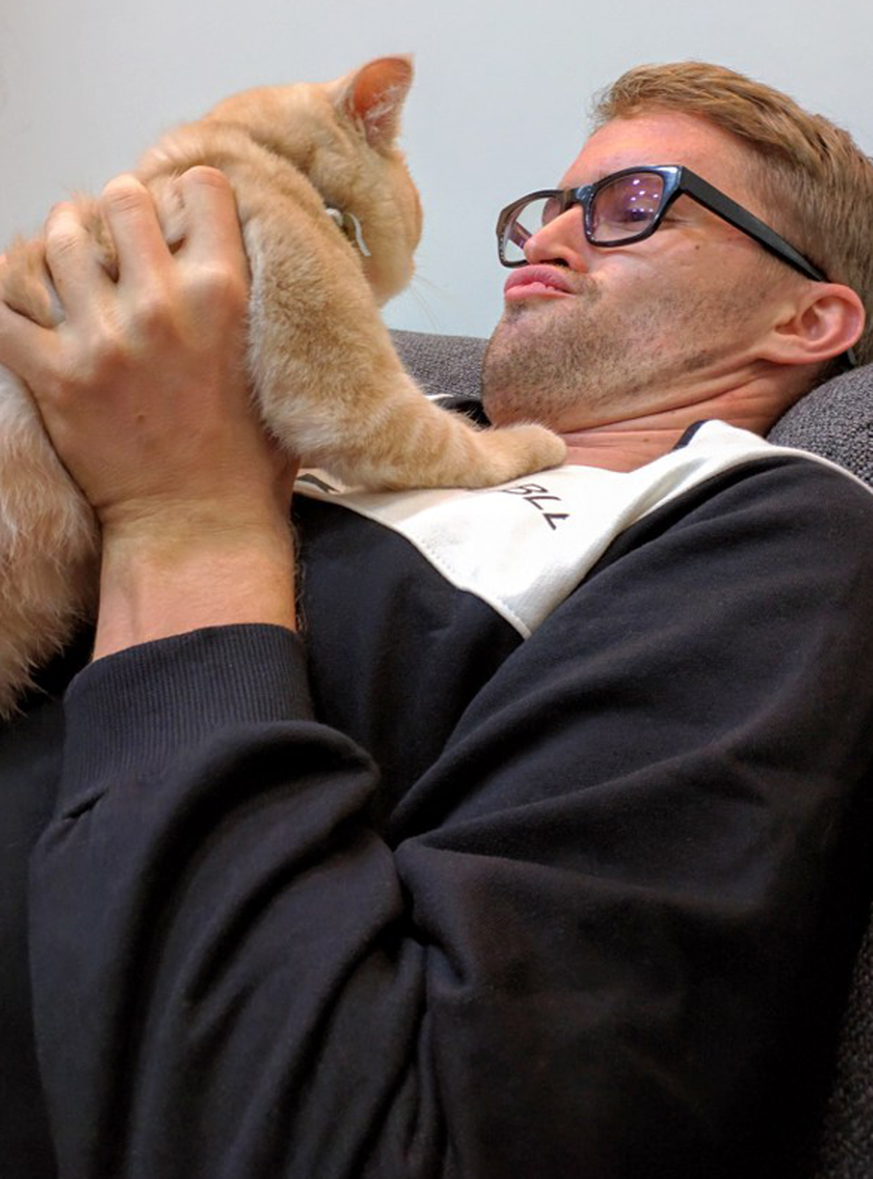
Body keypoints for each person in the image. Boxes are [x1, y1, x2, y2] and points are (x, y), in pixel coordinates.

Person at [2, 60, 873, 1179]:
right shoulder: (373, 424)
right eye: (551, 205)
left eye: (632, 202)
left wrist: (186, 516)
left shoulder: (763, 530)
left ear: (809, 316)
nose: (549, 236)